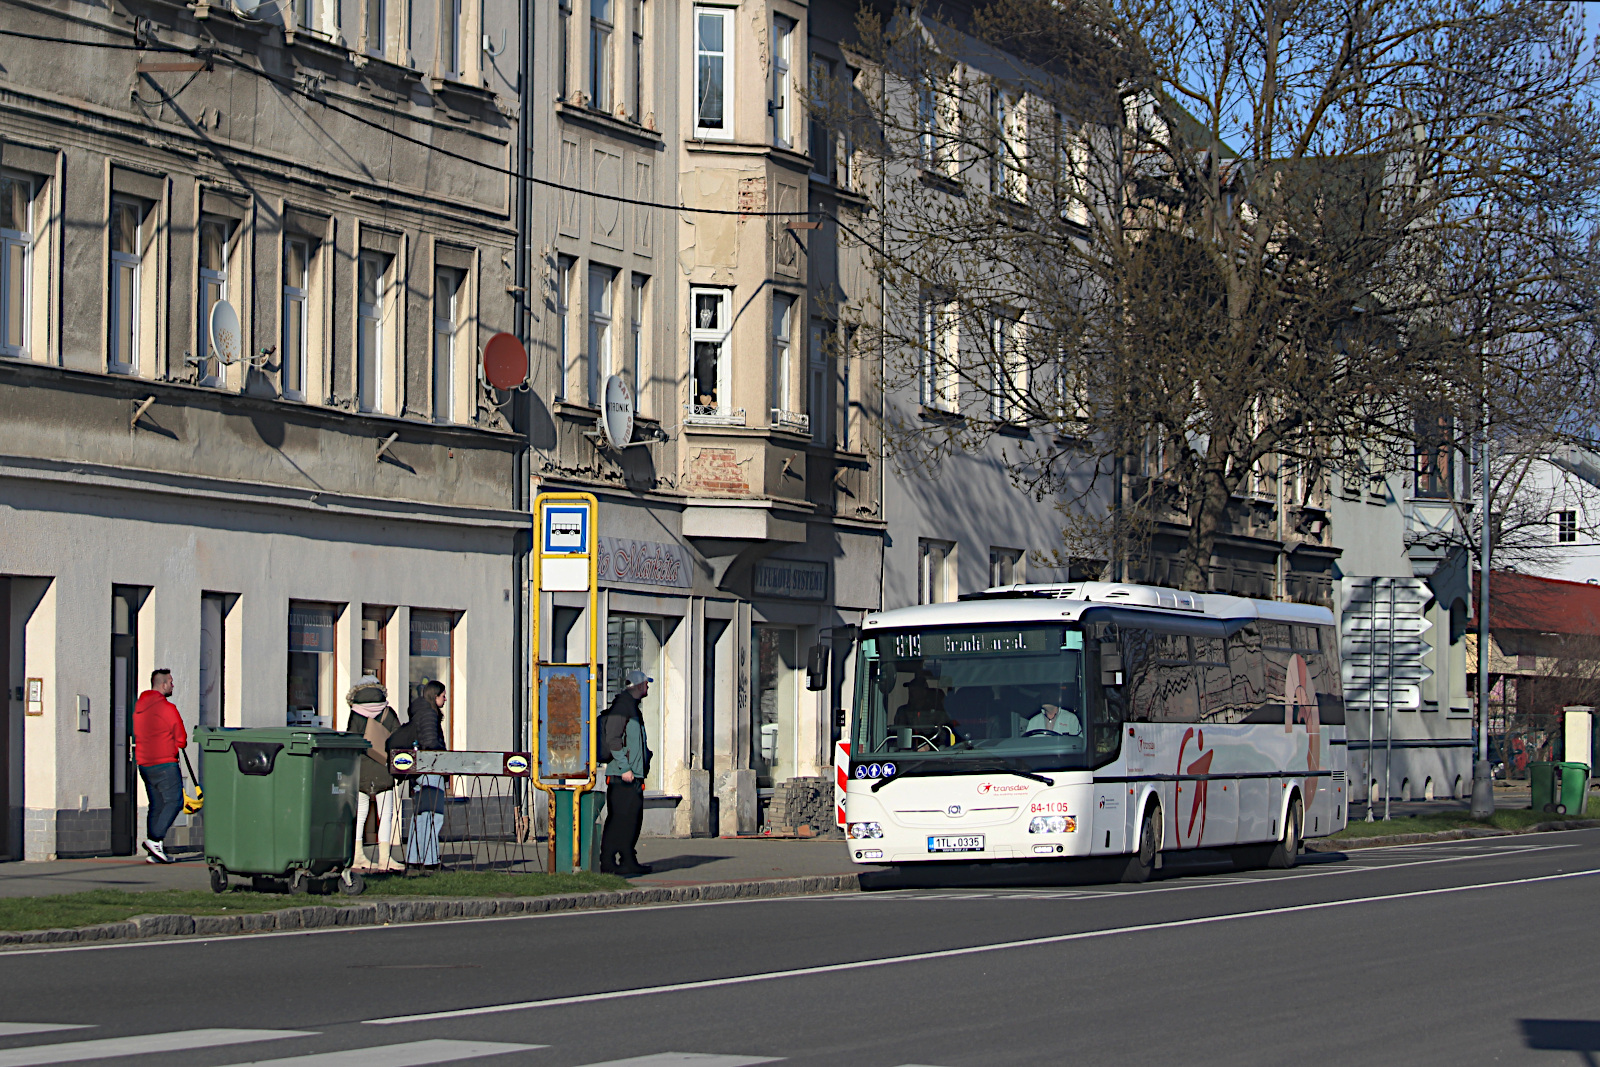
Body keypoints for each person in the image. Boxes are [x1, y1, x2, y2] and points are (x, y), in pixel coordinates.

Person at [344, 675, 403, 872]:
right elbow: (398, 736)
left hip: (360, 767)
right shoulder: (387, 711)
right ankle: (385, 858)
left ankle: (357, 855)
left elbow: (351, 739)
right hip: (382, 767)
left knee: (360, 813)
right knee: (384, 814)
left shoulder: (356, 713)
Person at [599, 669, 653, 877]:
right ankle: (608, 862)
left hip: (633, 775)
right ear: (638, 686)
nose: (648, 687)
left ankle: (627, 860)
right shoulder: (622, 707)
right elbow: (613, 739)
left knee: (632, 820)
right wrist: (625, 768)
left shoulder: (632, 708)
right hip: (623, 776)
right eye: (646, 684)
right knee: (619, 820)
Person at [133, 668, 187, 864]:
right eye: (171, 682)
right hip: (165, 762)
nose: (173, 685)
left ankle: (154, 851)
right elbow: (181, 738)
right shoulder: (167, 708)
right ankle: (155, 840)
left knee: (156, 804)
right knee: (174, 801)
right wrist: (175, 744)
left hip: (145, 763)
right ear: (163, 684)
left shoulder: (139, 707)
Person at [401, 680, 448, 873]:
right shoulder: (430, 714)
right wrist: (445, 759)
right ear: (434, 696)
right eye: (443, 695)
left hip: (419, 770)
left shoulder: (419, 712)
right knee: (432, 815)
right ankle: (430, 861)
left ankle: (414, 859)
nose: (445, 698)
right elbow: (431, 742)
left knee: (420, 815)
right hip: (430, 768)